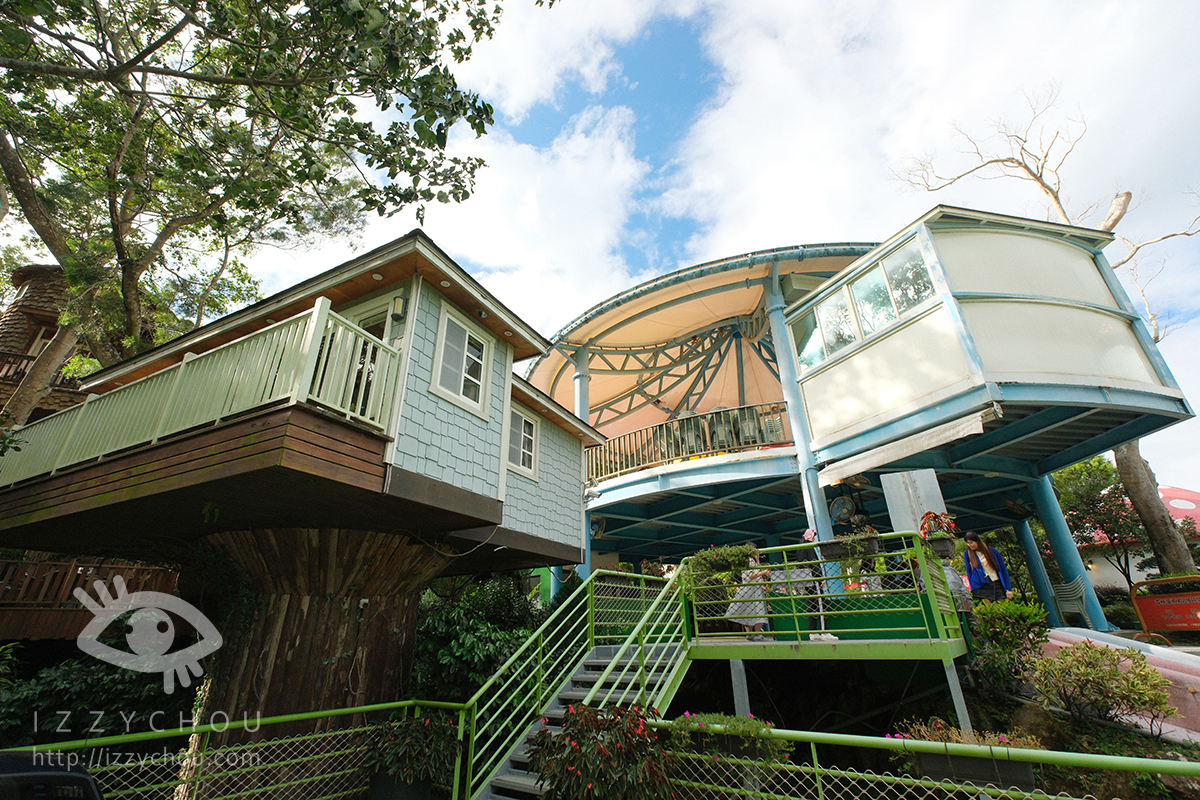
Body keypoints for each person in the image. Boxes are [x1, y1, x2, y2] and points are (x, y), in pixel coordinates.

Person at [727, 552, 771, 641]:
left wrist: (758, 560)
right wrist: (764, 572)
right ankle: (757, 634)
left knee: (749, 611)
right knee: (758, 610)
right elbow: (752, 575)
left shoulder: (748, 561)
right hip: (752, 588)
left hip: (748, 588)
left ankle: (750, 634)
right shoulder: (748, 561)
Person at [963, 531, 1013, 603]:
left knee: (1001, 608)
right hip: (981, 584)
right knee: (988, 608)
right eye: (968, 543)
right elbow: (969, 571)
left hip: (995, 581)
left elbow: (1003, 569)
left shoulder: (992, 551)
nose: (970, 545)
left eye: (971, 543)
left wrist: (1008, 588)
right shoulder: (968, 554)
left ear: (977, 541)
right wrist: (972, 586)